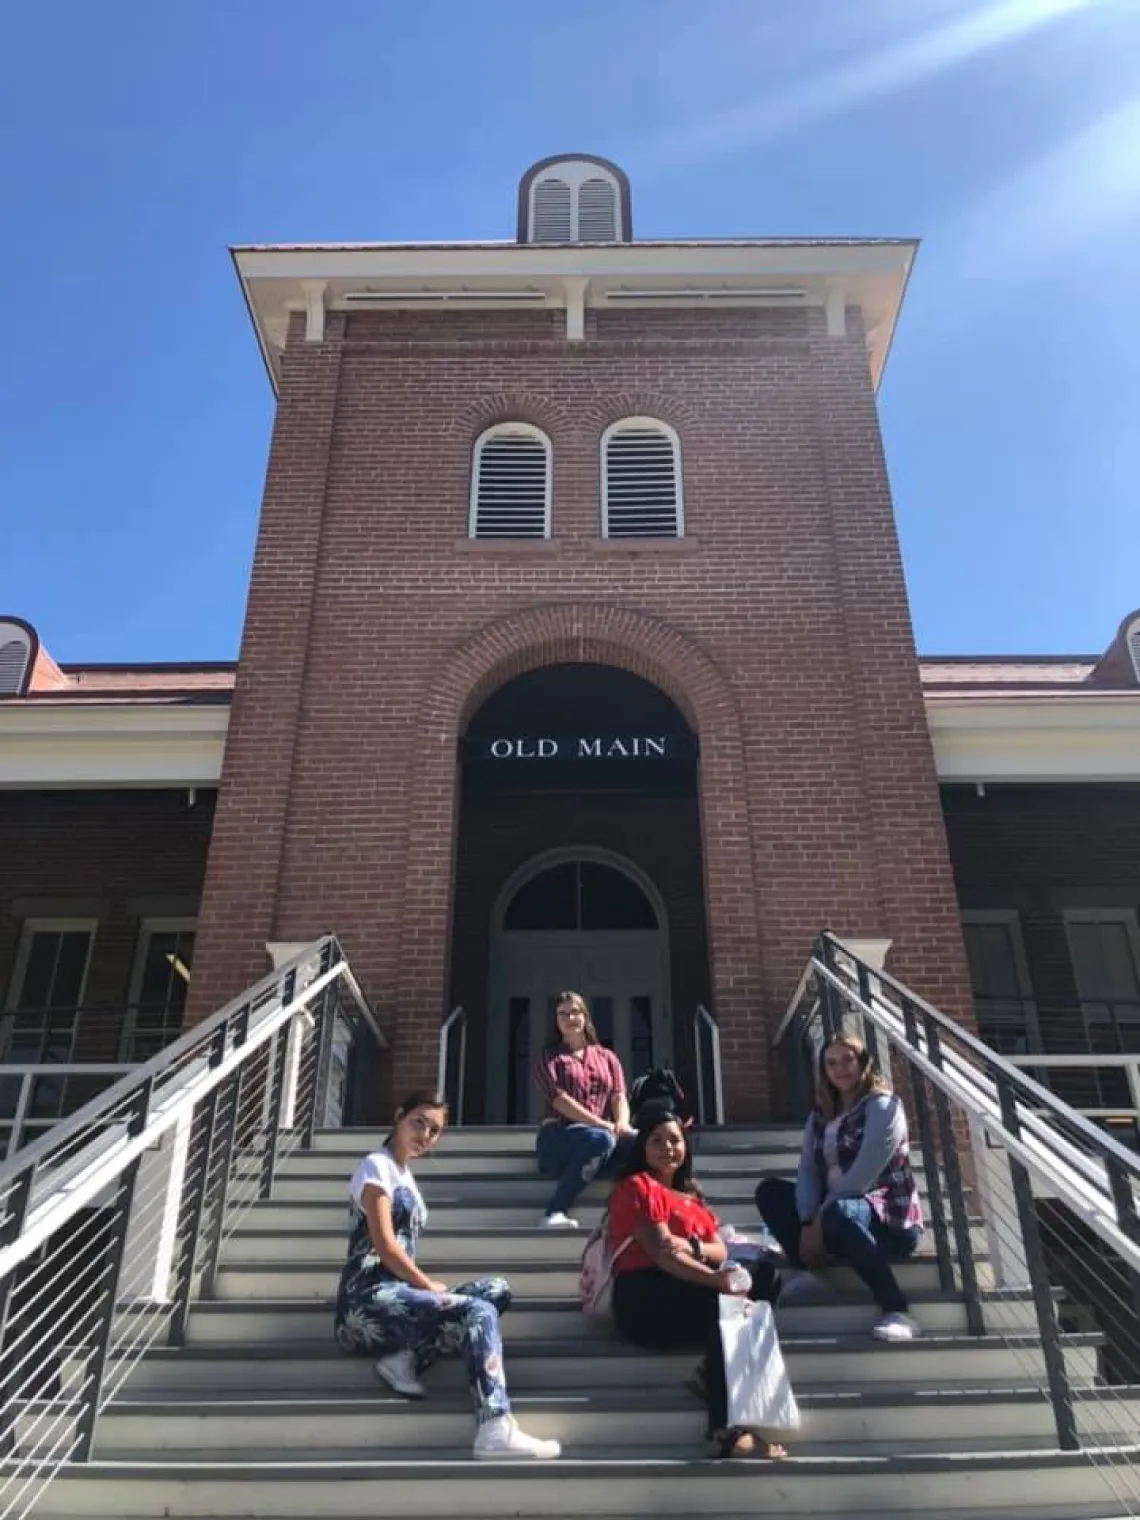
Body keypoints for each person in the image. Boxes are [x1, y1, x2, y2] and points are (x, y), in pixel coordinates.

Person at [334, 1089, 560, 1460]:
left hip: (398, 1298)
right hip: (367, 1300)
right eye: (418, 1123)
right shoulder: (377, 1165)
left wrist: (423, 1289)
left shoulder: (405, 1177)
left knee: (496, 1290)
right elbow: (385, 1245)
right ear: (398, 1117)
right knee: (478, 1311)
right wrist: (425, 1284)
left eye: (434, 1130)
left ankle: (406, 1356)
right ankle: (494, 1426)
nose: (425, 1135)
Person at [608, 1108, 788, 1460]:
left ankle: (710, 1372)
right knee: (724, 1308)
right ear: (642, 1147)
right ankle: (723, 1432)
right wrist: (715, 1280)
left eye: (674, 1140)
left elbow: (720, 1248)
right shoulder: (636, 1187)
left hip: (688, 1286)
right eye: (656, 1140)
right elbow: (661, 1253)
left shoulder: (691, 1197)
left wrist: (694, 1248)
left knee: (765, 1275)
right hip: (643, 1297)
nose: (667, 1148)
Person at [755, 1033, 924, 1343]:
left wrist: (819, 1217)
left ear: (863, 1063)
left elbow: (864, 1173)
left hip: (887, 1220)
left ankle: (897, 1309)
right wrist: (807, 1218)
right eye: (831, 1062)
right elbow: (807, 1167)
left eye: (848, 1059)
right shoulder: (821, 1115)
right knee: (770, 1192)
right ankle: (813, 1272)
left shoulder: (884, 1106)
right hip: (833, 1216)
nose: (840, 1068)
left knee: (838, 1212)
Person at [532, 990, 637, 1229]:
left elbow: (618, 1095)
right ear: (556, 1022)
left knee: (647, 1142)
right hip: (559, 1136)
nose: (570, 1018)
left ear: (585, 1017)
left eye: (575, 1012)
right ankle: (554, 1212)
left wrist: (622, 1123)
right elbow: (559, 1100)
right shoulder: (548, 1058)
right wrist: (604, 1125)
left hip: (601, 1137)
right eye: (563, 1014)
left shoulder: (606, 1056)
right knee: (600, 1139)